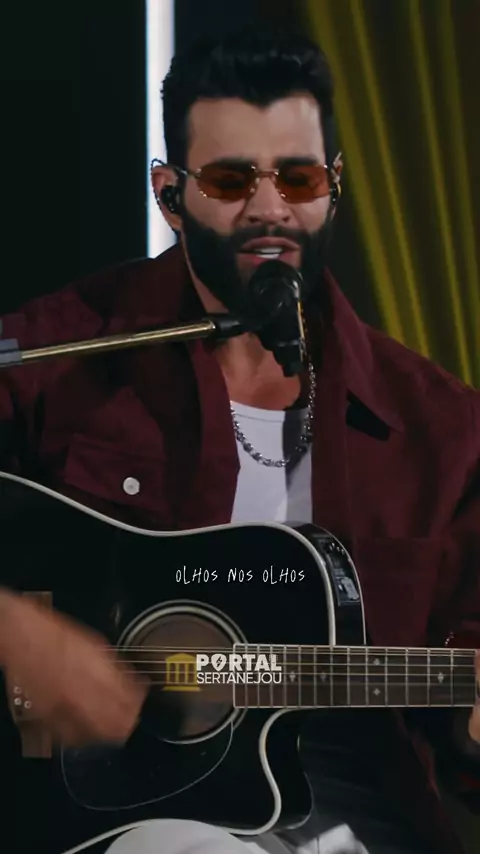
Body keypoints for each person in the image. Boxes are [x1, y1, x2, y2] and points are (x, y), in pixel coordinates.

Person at [1, 26, 480, 854]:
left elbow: (460, 718)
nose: (269, 207)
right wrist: (13, 631)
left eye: (298, 178)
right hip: (113, 823)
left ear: (334, 187)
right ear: (169, 196)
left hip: (362, 825)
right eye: (230, 180)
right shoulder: (60, 355)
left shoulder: (441, 428)